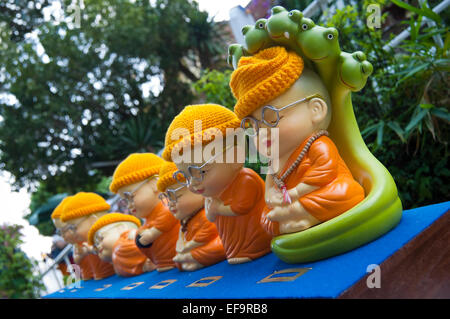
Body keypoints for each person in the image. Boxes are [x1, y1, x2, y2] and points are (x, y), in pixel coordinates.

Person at [230, 46, 365, 236]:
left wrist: (294, 195)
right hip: (289, 202)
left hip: (318, 194)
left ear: (315, 110)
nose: (263, 133)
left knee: (347, 192)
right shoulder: (275, 161)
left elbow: (324, 173)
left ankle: (302, 214)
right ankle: (294, 216)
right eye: (254, 126)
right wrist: (271, 198)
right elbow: (271, 186)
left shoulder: (317, 144)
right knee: (267, 217)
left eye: (271, 119)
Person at [162, 104, 272, 264]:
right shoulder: (213, 193)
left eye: (202, 172)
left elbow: (242, 207)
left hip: (255, 237)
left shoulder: (246, 179)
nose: (192, 184)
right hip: (232, 241)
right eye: (186, 177)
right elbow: (211, 217)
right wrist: (212, 210)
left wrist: (217, 208)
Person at [109, 153, 179, 272]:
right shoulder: (150, 217)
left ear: (154, 184)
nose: (129, 205)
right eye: (125, 201)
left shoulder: (167, 204)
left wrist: (154, 232)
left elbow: (169, 215)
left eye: (130, 197)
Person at [157, 161, 226, 271]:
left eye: (176, 196)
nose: (170, 204)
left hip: (216, 246)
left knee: (220, 245)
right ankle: (192, 258)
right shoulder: (187, 221)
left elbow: (208, 233)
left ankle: (193, 257)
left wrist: (189, 248)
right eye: (168, 198)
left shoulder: (207, 213)